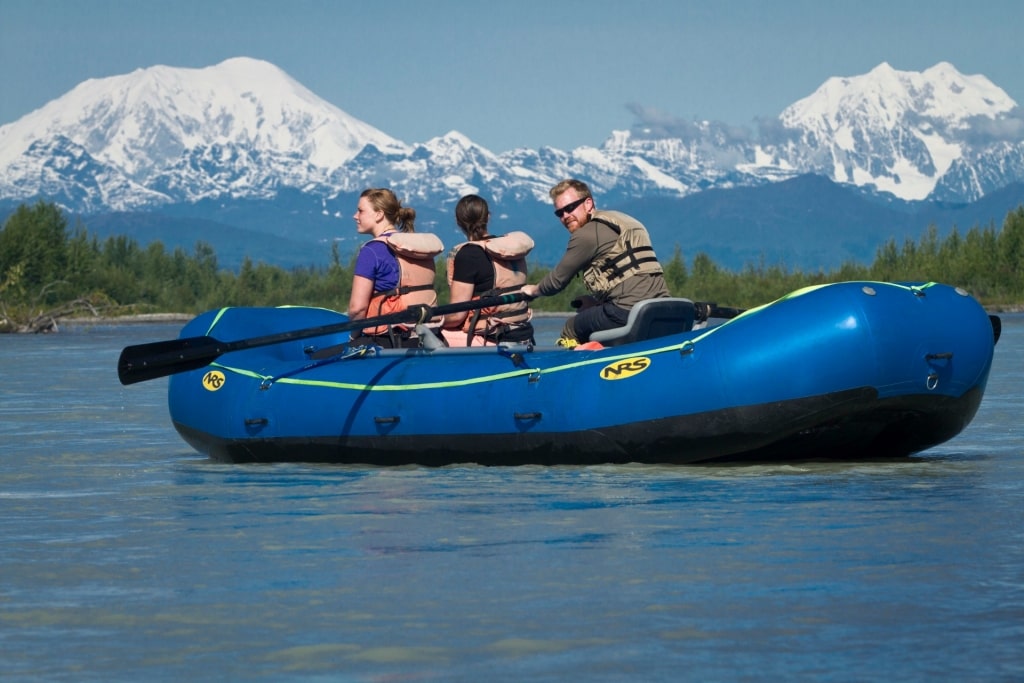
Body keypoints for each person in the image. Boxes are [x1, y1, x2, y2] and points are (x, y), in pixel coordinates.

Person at [519, 179, 670, 347]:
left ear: (588, 203)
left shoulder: (586, 235)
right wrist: (597, 302)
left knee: (572, 327)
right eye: (559, 213)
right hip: (661, 304)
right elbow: (629, 278)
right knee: (594, 315)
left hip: (626, 311)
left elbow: (556, 282)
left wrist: (533, 290)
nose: (565, 216)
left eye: (570, 208)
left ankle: (566, 371)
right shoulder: (622, 222)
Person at [345, 188, 445, 349]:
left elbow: (358, 309)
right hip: (428, 335)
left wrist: (352, 337)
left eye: (360, 211)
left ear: (379, 214)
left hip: (389, 341)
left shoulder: (371, 251)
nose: (355, 216)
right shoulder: (415, 247)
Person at [441, 194, 535, 347]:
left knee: (426, 332)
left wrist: (431, 319)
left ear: (458, 222)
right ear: (488, 217)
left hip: (491, 337)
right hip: (523, 333)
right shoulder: (509, 250)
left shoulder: (468, 255)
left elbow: (457, 316)